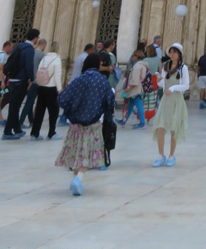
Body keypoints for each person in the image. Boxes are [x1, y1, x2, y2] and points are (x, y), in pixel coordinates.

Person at [55, 53, 115, 196]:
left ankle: (76, 180)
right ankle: (78, 179)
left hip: (75, 123)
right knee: (87, 154)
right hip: (93, 123)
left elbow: (62, 99)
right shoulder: (102, 81)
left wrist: (72, 110)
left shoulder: (78, 80)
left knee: (77, 153)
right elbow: (110, 102)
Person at [151, 43, 189, 167]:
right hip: (165, 101)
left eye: (175, 52)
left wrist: (173, 88)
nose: (172, 54)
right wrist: (158, 80)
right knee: (160, 127)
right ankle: (160, 155)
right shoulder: (166, 66)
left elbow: (185, 85)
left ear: (179, 54)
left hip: (176, 101)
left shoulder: (183, 68)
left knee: (174, 128)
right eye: (171, 52)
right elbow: (164, 84)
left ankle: (172, 155)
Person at [3, 28, 40, 140]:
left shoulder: (18, 46)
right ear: (35, 38)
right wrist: (31, 79)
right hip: (21, 81)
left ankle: (17, 129)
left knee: (14, 106)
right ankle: (7, 131)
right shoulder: (29, 49)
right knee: (15, 107)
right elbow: (29, 65)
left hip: (12, 80)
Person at [30, 40, 63, 140]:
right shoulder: (57, 60)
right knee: (54, 111)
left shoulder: (44, 58)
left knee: (39, 110)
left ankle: (34, 133)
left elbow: (38, 72)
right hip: (51, 88)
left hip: (42, 87)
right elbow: (57, 76)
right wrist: (59, 90)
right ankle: (51, 132)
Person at [19, 38, 46, 128]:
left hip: (28, 80)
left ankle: (31, 121)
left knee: (30, 101)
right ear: (44, 45)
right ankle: (20, 122)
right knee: (29, 102)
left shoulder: (32, 52)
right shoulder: (42, 55)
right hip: (35, 81)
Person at [121, 48, 148, 129]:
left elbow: (135, 80)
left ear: (136, 57)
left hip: (136, 90)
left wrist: (128, 88)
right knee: (130, 105)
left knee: (139, 106)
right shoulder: (142, 65)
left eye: (133, 55)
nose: (132, 57)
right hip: (138, 89)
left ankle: (142, 123)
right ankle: (124, 120)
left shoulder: (137, 66)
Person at [142, 44, 160, 121]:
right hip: (154, 79)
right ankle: (149, 118)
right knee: (152, 100)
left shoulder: (145, 60)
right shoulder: (158, 59)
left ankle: (143, 116)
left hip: (147, 79)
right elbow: (160, 69)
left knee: (145, 99)